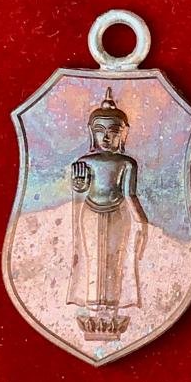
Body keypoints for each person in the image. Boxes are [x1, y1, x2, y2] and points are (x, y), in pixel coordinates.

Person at [66, 87, 148, 340]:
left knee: (115, 257)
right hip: (90, 212)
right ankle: (92, 307)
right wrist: (79, 185)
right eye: (100, 130)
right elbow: (78, 193)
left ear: (123, 134)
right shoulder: (86, 161)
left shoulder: (126, 163)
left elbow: (129, 195)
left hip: (118, 212)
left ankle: (111, 307)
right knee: (93, 257)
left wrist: (141, 220)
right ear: (92, 133)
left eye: (113, 131)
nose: (107, 137)